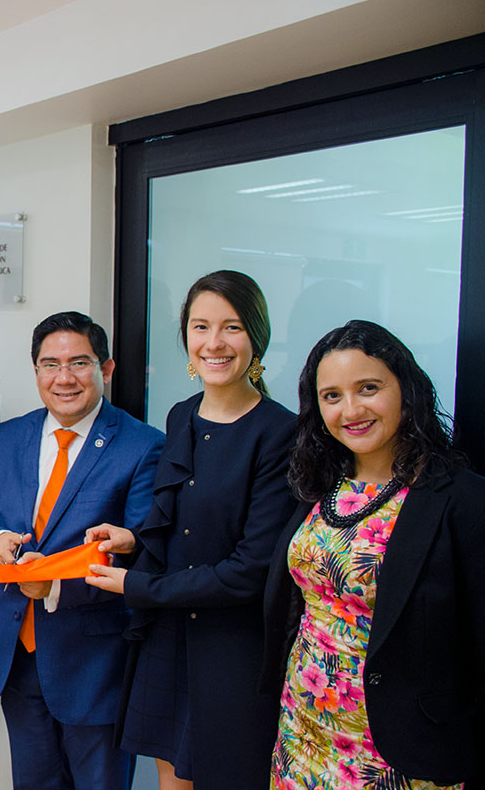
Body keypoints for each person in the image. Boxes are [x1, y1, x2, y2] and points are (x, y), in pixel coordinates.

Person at [85, 270, 296, 789]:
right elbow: (179, 522)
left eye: (232, 327)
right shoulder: (181, 415)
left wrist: (140, 587)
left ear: (257, 338)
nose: (214, 343)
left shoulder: (283, 433)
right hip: (168, 633)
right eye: (201, 327)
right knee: (169, 780)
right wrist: (133, 539)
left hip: (231, 647)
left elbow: (251, 570)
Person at [263, 320, 483, 788]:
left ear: (407, 389)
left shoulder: (462, 500)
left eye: (368, 388)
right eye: (332, 396)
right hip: (303, 729)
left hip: (400, 749)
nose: (351, 409)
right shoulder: (320, 484)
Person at [0, 312, 164, 789]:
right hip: (16, 654)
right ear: (35, 371)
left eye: (79, 363)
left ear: (107, 369)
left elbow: (140, 552)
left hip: (94, 663)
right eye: (49, 364)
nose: (64, 378)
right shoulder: (6, 438)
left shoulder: (143, 446)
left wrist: (52, 582)